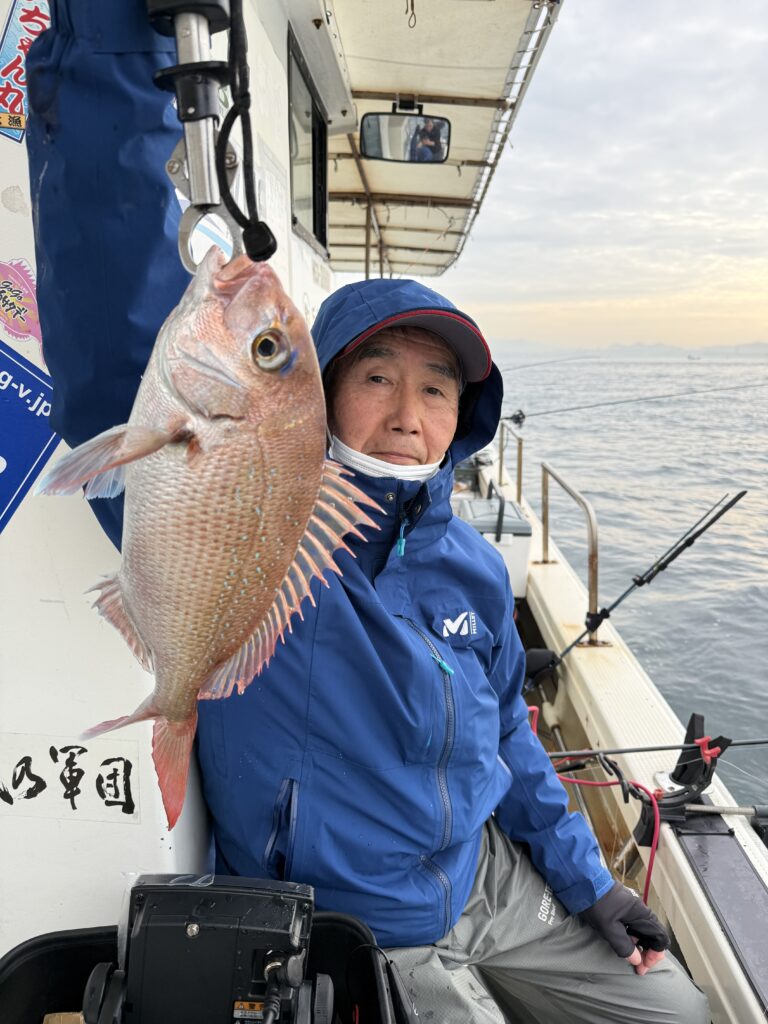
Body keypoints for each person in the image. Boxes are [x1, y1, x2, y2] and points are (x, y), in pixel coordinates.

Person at [24, 7, 708, 1023]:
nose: (406, 415)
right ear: (323, 397)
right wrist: (124, 38)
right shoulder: (268, 516)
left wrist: (588, 882)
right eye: (377, 376)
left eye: (437, 390)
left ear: (464, 418)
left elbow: (508, 739)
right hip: (359, 925)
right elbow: (114, 303)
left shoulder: (474, 567)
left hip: (485, 881)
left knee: (680, 1011)